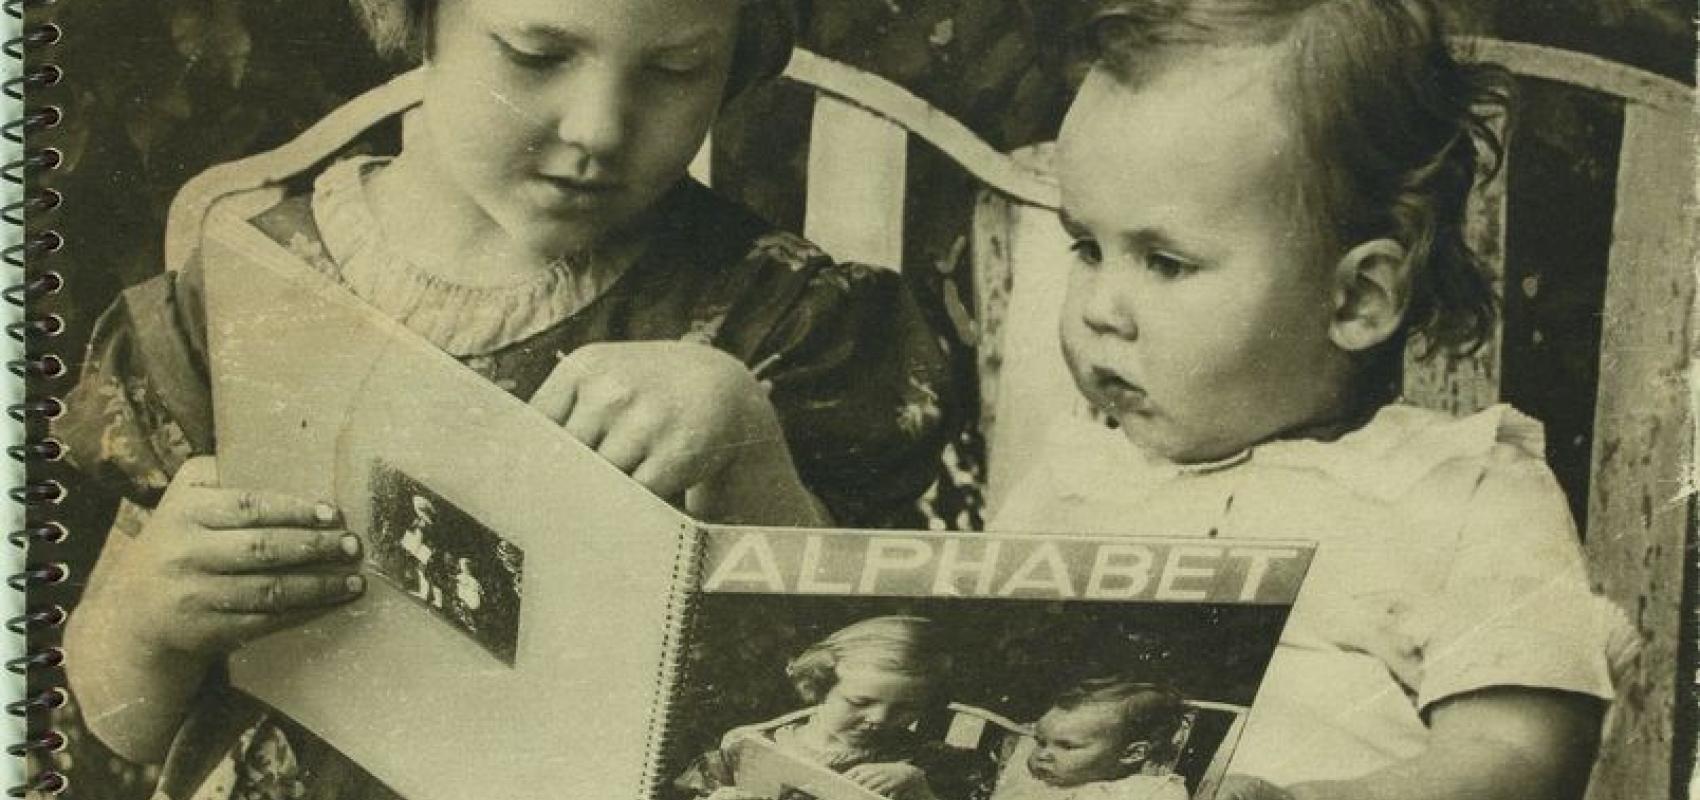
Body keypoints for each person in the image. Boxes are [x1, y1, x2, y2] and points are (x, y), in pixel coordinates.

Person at [57, 0, 954, 796]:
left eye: (677, 70)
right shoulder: (249, 295)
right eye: (534, 54)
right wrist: (151, 615)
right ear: (417, 18)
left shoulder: (783, 323)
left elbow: (848, 691)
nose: (600, 127)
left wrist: (749, 454)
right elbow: (120, 718)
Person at [989, 1, 1635, 799]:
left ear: (1358, 299)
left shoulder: (1463, 496)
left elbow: (1523, 757)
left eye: (1164, 262)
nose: (1099, 307)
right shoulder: (1074, 483)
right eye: (1086, 248)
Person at [675, 616, 989, 800]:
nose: (878, 719)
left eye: (907, 708)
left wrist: (921, 792)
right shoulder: (747, 749)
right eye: (859, 702)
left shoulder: (926, 765)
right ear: (820, 686)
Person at [991, 677, 1189, 800]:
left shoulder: (1149, 794)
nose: (1042, 755)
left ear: (1132, 753)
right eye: (1041, 742)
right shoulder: (1033, 786)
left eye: (1066, 746)